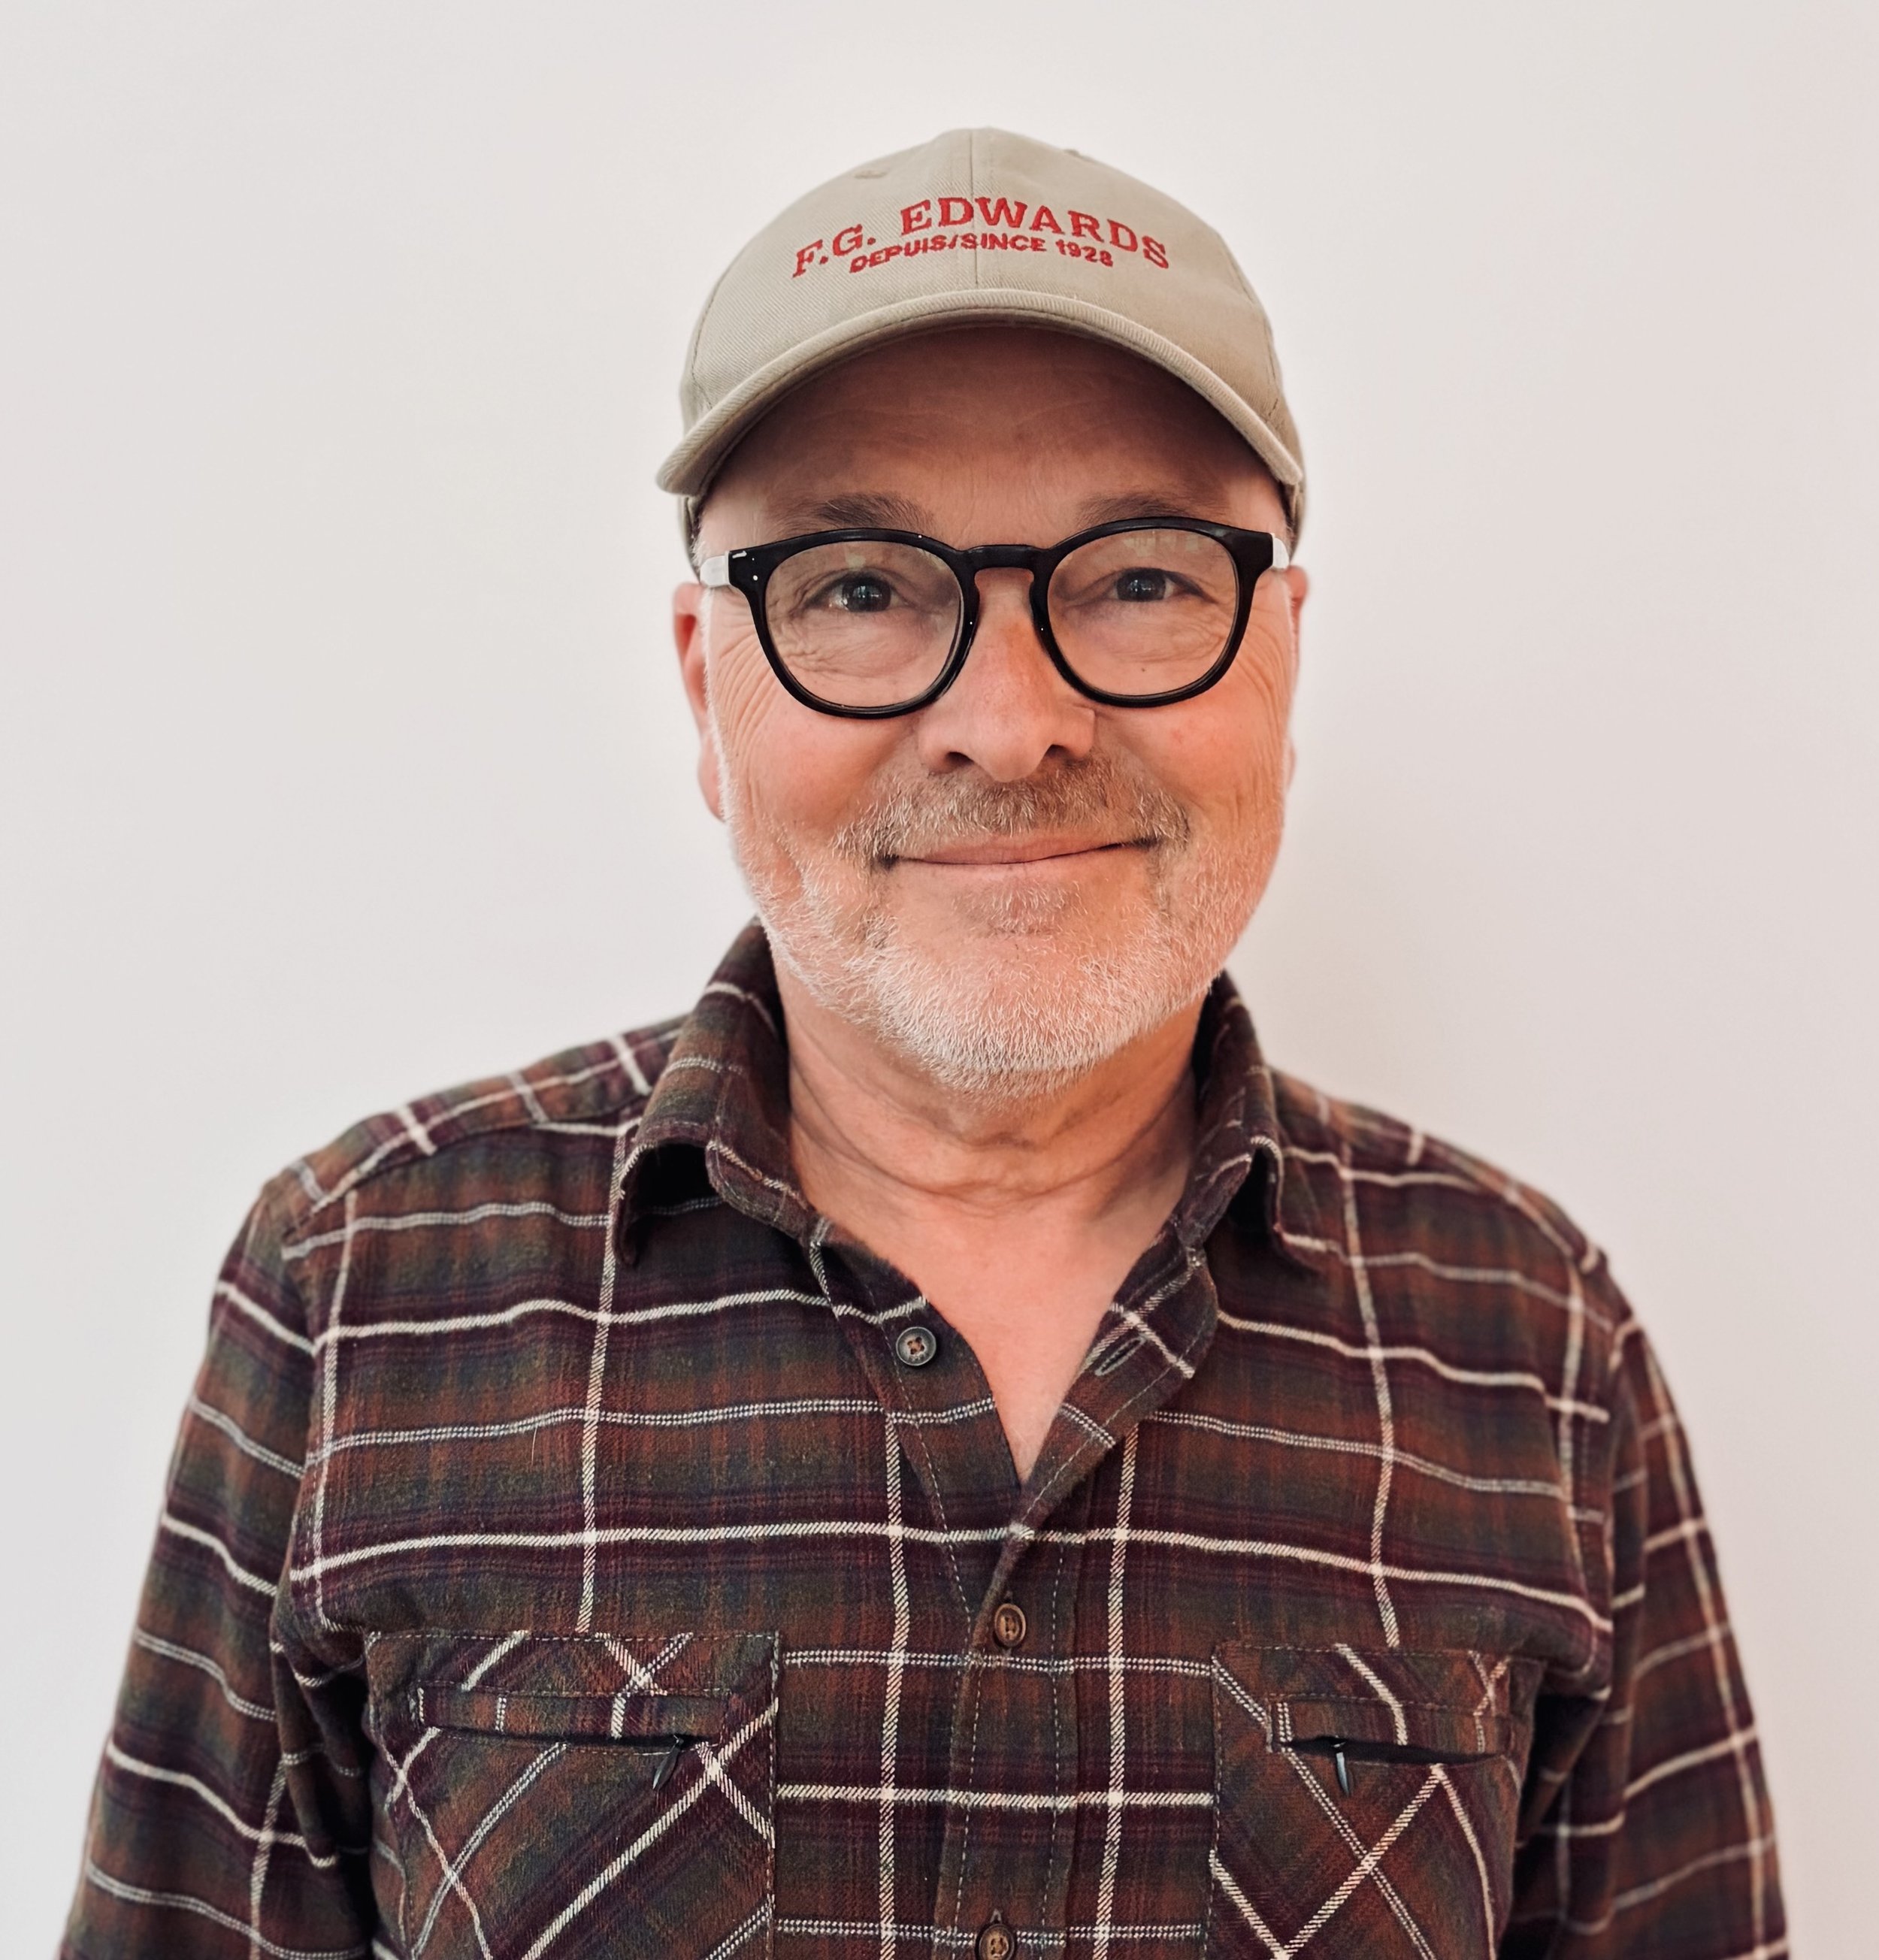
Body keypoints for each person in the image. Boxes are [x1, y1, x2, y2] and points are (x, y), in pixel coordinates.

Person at [63, 128, 1782, 1960]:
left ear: (1280, 647)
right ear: (701, 688)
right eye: (861, 587)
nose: (1012, 721)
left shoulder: (1530, 1351)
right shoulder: (363, 1290)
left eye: (1135, 577)